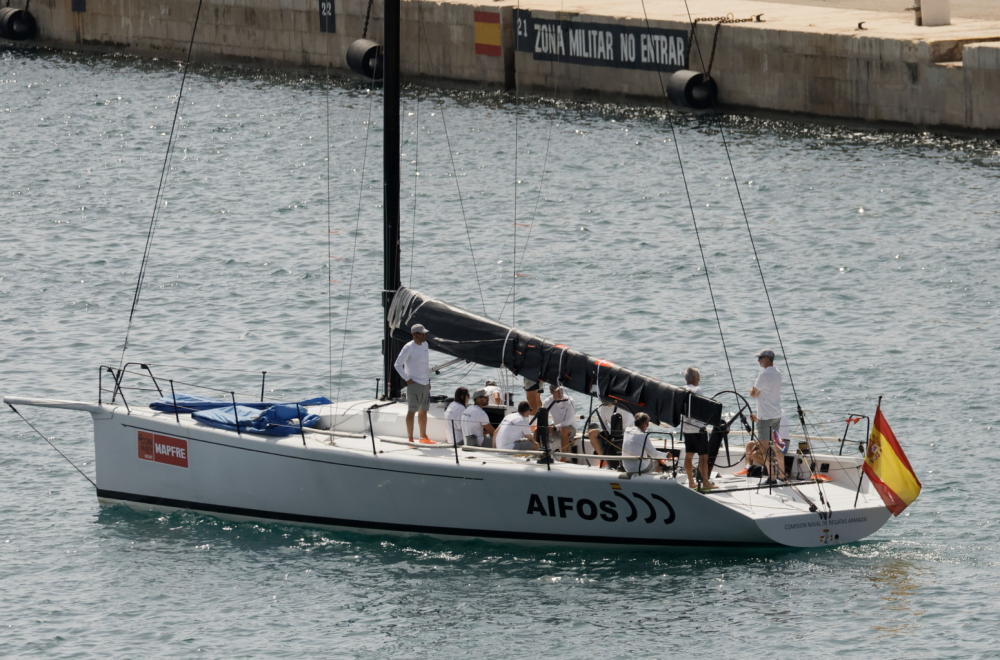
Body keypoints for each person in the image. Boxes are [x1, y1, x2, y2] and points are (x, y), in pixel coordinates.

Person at [749, 348, 784, 483]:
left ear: (766, 359)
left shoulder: (764, 375)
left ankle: (772, 477)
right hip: (776, 415)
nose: (758, 361)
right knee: (776, 447)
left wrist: (753, 391)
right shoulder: (778, 373)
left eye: (760, 358)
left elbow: (754, 393)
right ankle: (783, 475)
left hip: (765, 417)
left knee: (764, 449)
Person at [394, 323, 432, 443]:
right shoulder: (408, 347)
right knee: (412, 411)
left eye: (424, 334)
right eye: (422, 334)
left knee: (423, 411)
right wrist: (407, 379)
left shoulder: (426, 344)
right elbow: (397, 364)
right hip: (414, 383)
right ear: (414, 335)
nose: (424, 336)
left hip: (425, 383)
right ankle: (410, 439)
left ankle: (423, 437)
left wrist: (428, 380)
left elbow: (425, 365)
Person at [682, 367, 714, 490]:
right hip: (698, 429)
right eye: (698, 376)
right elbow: (702, 408)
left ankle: (691, 482)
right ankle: (705, 482)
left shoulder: (682, 390)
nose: (700, 378)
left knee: (689, 455)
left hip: (687, 428)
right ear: (694, 378)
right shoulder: (698, 390)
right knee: (703, 456)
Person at [740, 408, 788, 478]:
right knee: (749, 444)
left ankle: (775, 468)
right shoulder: (776, 412)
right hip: (777, 440)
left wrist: (755, 447)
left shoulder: (772, 415)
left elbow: (771, 436)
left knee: (754, 454)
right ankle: (748, 467)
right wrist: (757, 420)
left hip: (780, 443)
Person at [539, 383, 577, 456]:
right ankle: (539, 455)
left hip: (569, 428)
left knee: (563, 430)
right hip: (555, 428)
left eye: (561, 390)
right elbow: (542, 417)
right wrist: (548, 426)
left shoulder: (570, 401)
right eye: (558, 391)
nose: (560, 392)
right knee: (537, 430)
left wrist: (554, 427)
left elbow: (569, 421)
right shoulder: (547, 401)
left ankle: (564, 458)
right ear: (551, 392)